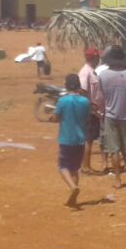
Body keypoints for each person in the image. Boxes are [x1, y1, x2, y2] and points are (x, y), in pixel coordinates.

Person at [97, 47, 126, 187]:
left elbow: (100, 97)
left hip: (110, 115)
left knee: (114, 149)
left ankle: (117, 179)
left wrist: (102, 111)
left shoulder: (103, 75)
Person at [52, 73, 91, 207]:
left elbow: (56, 118)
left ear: (66, 85)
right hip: (80, 140)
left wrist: (53, 118)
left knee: (63, 167)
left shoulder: (62, 101)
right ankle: (73, 199)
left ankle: (73, 187)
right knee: (75, 168)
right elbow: (87, 119)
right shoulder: (85, 101)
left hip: (66, 139)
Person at [78, 47, 104, 174]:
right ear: (93, 58)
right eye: (97, 57)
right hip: (89, 111)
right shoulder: (85, 72)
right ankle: (85, 166)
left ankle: (86, 165)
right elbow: (82, 90)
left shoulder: (92, 72)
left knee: (90, 139)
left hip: (94, 111)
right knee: (88, 139)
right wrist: (90, 104)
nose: (99, 59)